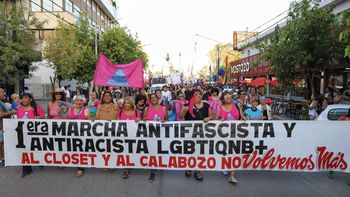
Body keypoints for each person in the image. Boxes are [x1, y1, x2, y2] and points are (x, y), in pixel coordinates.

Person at [179, 89, 212, 181]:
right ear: (192, 96)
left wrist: (208, 118)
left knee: (199, 151)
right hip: (189, 132)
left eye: (200, 94)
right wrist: (185, 111)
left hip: (202, 132)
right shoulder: (186, 105)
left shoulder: (206, 105)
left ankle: (197, 171)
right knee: (190, 150)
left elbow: (211, 116)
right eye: (196, 94)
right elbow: (180, 117)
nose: (198, 96)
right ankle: (189, 167)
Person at [216, 91, 243, 184]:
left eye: (229, 96)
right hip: (223, 135)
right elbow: (215, 121)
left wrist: (245, 117)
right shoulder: (219, 108)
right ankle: (226, 166)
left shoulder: (237, 106)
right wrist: (220, 120)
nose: (228, 97)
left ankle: (231, 175)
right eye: (226, 96)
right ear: (223, 99)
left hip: (236, 133)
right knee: (226, 152)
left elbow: (242, 118)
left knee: (233, 152)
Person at [16, 93, 45, 177]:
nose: (24, 100)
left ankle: (40, 160)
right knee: (24, 150)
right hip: (22, 133)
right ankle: (26, 169)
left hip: (34, 132)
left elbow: (43, 117)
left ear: (30, 99)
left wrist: (37, 118)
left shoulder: (36, 108)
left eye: (26, 98)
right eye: (22, 98)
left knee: (35, 149)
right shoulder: (19, 108)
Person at [142, 93, 168, 182]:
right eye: (151, 98)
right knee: (152, 152)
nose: (153, 99)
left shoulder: (163, 108)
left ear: (158, 99)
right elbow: (144, 119)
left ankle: (159, 165)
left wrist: (164, 121)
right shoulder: (146, 108)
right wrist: (144, 120)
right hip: (150, 134)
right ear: (149, 100)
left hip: (160, 134)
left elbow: (167, 120)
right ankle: (152, 171)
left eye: (155, 97)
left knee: (159, 151)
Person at [118, 97, 141, 179]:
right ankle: (127, 169)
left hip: (134, 137)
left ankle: (132, 164)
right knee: (126, 152)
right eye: (125, 103)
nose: (126, 104)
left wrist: (139, 120)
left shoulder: (137, 112)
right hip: (123, 136)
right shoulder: (120, 112)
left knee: (132, 152)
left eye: (128, 103)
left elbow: (141, 124)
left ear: (131, 104)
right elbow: (117, 123)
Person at [69, 95, 91, 177]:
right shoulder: (70, 109)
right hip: (72, 133)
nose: (79, 102)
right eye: (77, 100)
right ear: (74, 102)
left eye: (80, 101)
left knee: (81, 150)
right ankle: (79, 164)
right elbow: (67, 120)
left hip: (83, 134)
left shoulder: (86, 110)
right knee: (75, 149)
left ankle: (81, 168)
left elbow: (89, 122)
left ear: (83, 102)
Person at [0, 88, 17, 167]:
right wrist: (12, 112)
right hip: (1, 128)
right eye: (3, 92)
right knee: (1, 144)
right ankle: (1, 160)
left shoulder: (1, 102)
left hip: (3, 127)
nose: (5, 94)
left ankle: (3, 159)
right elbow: (0, 114)